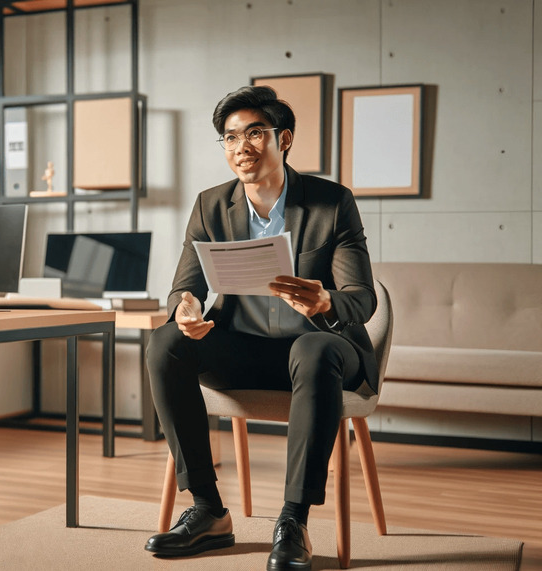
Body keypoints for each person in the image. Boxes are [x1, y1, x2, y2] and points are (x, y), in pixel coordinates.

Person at [143, 85, 377, 571]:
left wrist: (327, 300)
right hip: (245, 351)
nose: (240, 147)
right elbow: (184, 287)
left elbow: (363, 299)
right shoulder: (211, 205)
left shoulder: (332, 203)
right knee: (164, 342)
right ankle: (208, 511)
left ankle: (293, 520)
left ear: (283, 139)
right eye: (229, 138)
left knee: (314, 350)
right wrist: (184, 308)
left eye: (254, 133)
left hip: (322, 353)